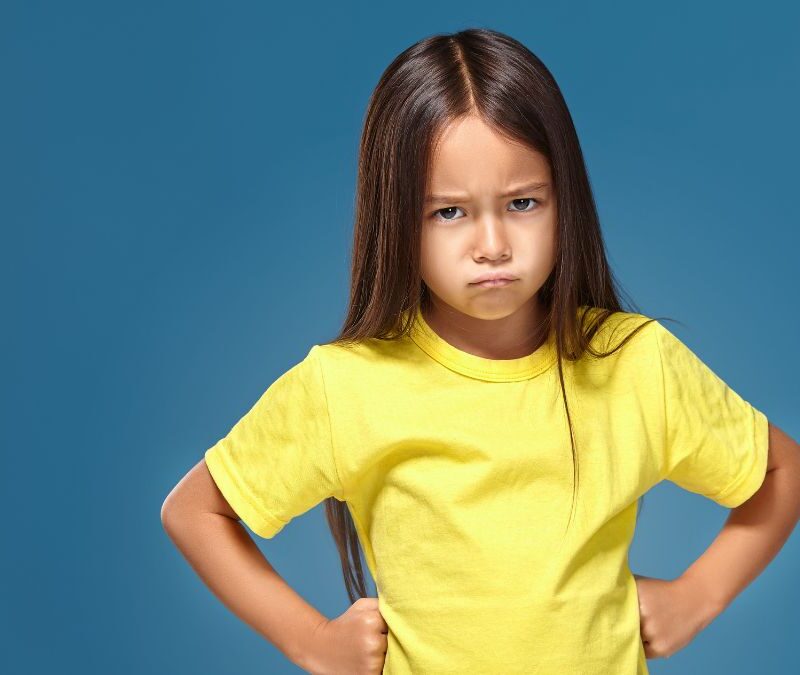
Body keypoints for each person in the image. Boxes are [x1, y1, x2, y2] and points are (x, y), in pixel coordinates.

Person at [160, 27, 800, 675]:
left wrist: (698, 594)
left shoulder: (635, 362)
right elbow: (195, 510)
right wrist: (312, 642)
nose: (492, 244)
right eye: (449, 213)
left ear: (563, 201)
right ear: (396, 216)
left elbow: (783, 470)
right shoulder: (346, 385)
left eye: (522, 203)